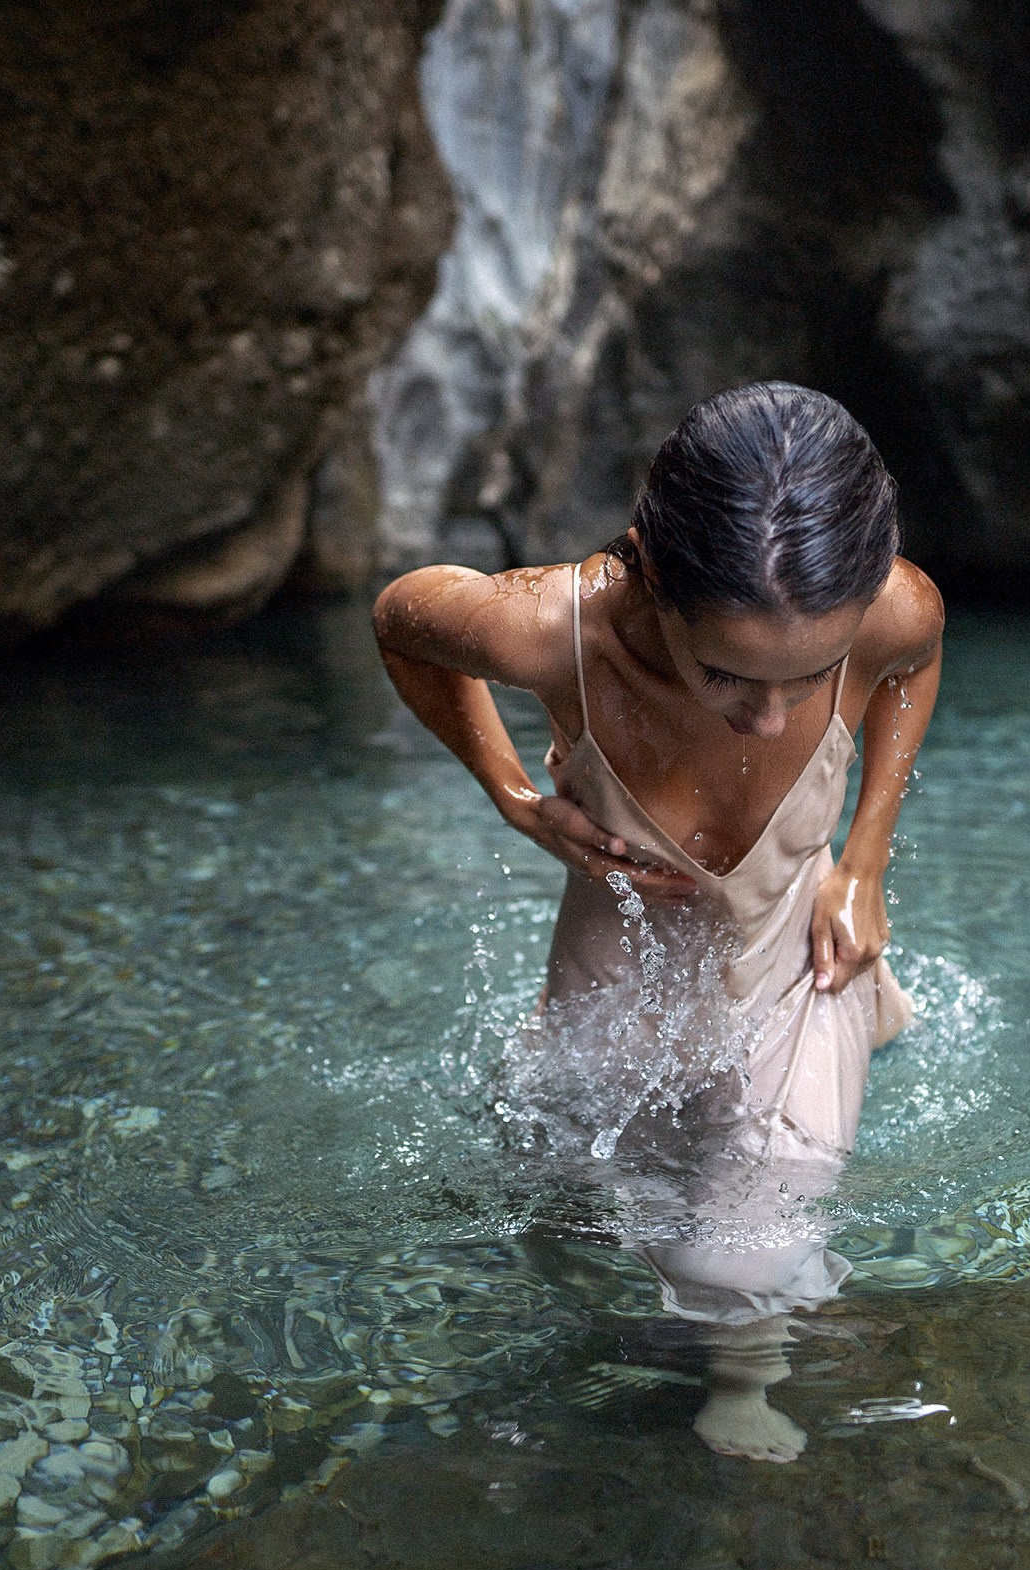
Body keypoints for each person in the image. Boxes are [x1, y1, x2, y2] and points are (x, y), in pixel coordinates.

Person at [373, 381, 943, 1460]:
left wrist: (862, 859)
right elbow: (402, 619)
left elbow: (914, 661)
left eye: (811, 674)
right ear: (648, 574)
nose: (770, 716)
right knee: (561, 1194)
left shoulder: (891, 609)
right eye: (725, 671)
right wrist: (510, 793)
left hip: (794, 953)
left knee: (739, 1257)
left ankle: (742, 1383)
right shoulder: (550, 631)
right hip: (616, 951)